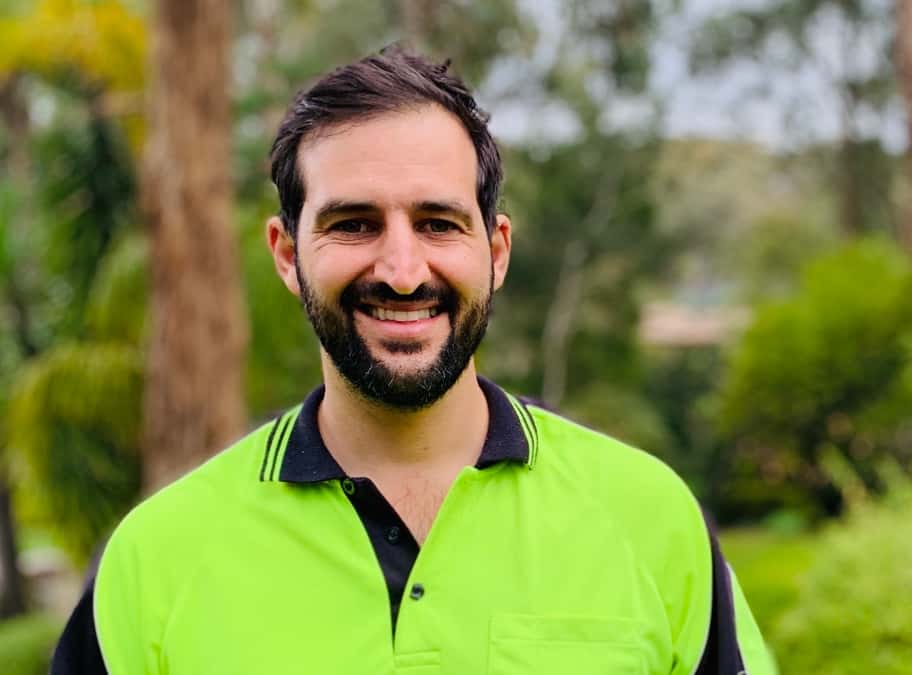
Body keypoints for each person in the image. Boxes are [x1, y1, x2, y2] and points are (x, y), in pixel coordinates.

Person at [50, 46, 775, 674]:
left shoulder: (650, 518)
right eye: (354, 223)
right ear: (286, 253)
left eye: (436, 223)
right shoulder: (156, 556)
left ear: (495, 251)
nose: (402, 269)